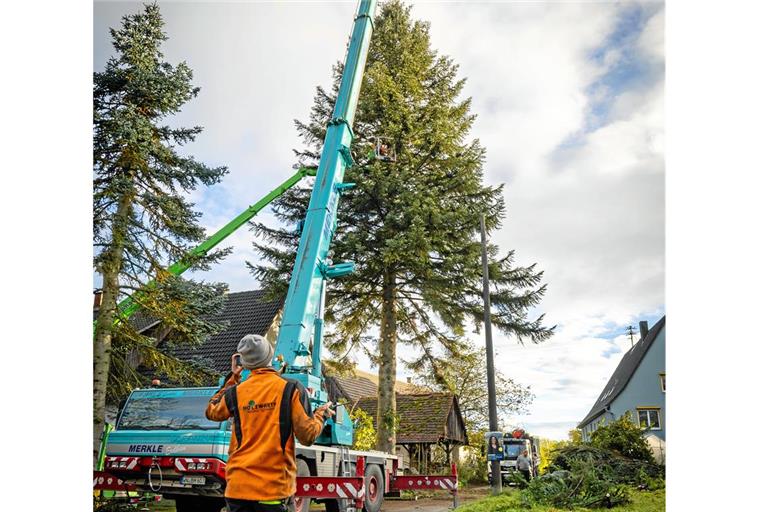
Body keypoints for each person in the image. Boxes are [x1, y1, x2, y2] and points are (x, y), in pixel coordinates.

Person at [205, 334, 334, 512]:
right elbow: (307, 436)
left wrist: (233, 378)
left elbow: (211, 411)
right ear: (269, 356)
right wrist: (322, 415)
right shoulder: (291, 389)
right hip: (272, 490)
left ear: (244, 363)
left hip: (237, 489)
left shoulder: (234, 393)